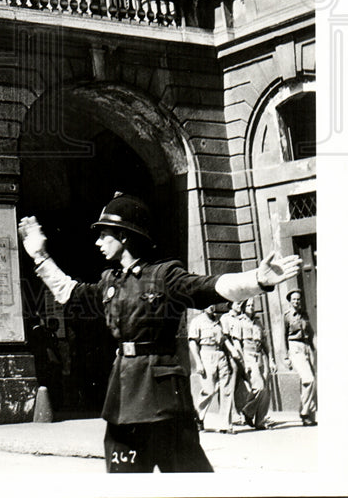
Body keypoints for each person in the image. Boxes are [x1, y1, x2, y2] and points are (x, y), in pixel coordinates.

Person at [18, 192, 301, 473]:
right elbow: (70, 293)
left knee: (189, 482)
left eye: (104, 234)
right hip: (122, 398)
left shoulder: (165, 275)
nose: (98, 242)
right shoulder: (110, 281)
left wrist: (256, 280)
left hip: (164, 401)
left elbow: (209, 287)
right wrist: (40, 256)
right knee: (124, 481)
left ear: (124, 236)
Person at [188, 304, 237, 433]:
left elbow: (224, 339)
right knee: (209, 389)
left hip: (221, 355)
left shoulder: (218, 321)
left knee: (226, 390)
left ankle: (225, 425)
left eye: (213, 304)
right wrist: (198, 362)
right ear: (203, 306)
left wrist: (232, 350)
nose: (212, 307)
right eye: (208, 304)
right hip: (206, 355)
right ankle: (198, 416)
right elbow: (193, 343)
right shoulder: (197, 321)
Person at [234, 300, 273, 429]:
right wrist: (244, 362)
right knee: (259, 387)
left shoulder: (258, 322)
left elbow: (265, 343)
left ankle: (260, 422)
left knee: (266, 390)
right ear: (244, 307)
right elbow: (237, 343)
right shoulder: (239, 322)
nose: (251, 308)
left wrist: (271, 359)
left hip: (260, 355)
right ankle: (247, 411)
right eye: (248, 305)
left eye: (252, 305)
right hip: (248, 355)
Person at [283, 289, 317, 426]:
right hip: (295, 347)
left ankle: (310, 416)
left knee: (310, 382)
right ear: (290, 301)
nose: (297, 302)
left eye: (298, 299)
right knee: (309, 379)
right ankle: (304, 411)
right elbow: (283, 337)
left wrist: (315, 349)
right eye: (294, 299)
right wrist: (286, 356)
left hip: (307, 348)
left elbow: (311, 333)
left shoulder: (304, 314)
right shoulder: (287, 315)